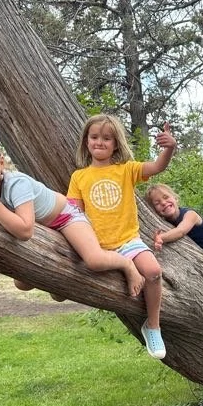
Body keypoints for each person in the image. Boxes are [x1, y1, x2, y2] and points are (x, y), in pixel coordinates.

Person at [0, 129, 145, 301]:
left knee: (93, 259)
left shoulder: (17, 184)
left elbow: (25, 230)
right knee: (21, 284)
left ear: (0, 162)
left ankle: (127, 265)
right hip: (42, 226)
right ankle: (59, 284)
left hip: (66, 217)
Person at [67, 114, 175, 360]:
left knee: (154, 271)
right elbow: (73, 211)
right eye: (94, 137)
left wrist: (169, 148)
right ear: (86, 141)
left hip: (128, 241)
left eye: (107, 138)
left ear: (116, 144)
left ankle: (153, 326)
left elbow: (157, 167)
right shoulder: (79, 177)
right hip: (97, 245)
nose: (100, 142)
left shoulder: (126, 170)